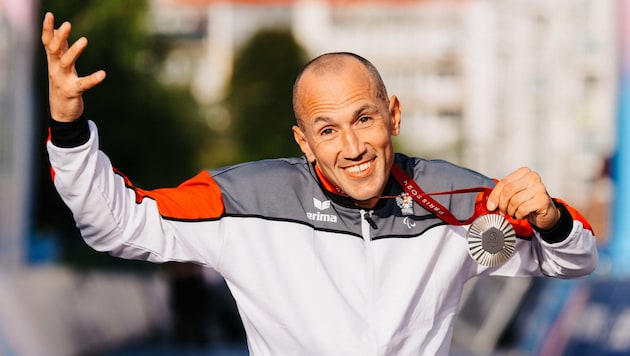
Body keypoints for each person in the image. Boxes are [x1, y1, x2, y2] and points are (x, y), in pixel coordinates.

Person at [41, 12, 597, 356]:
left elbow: (575, 260)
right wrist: (68, 127)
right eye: (327, 130)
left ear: (393, 115)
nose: (351, 148)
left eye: (364, 119)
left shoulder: (457, 197)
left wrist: (552, 219)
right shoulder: (244, 200)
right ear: (303, 142)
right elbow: (115, 225)